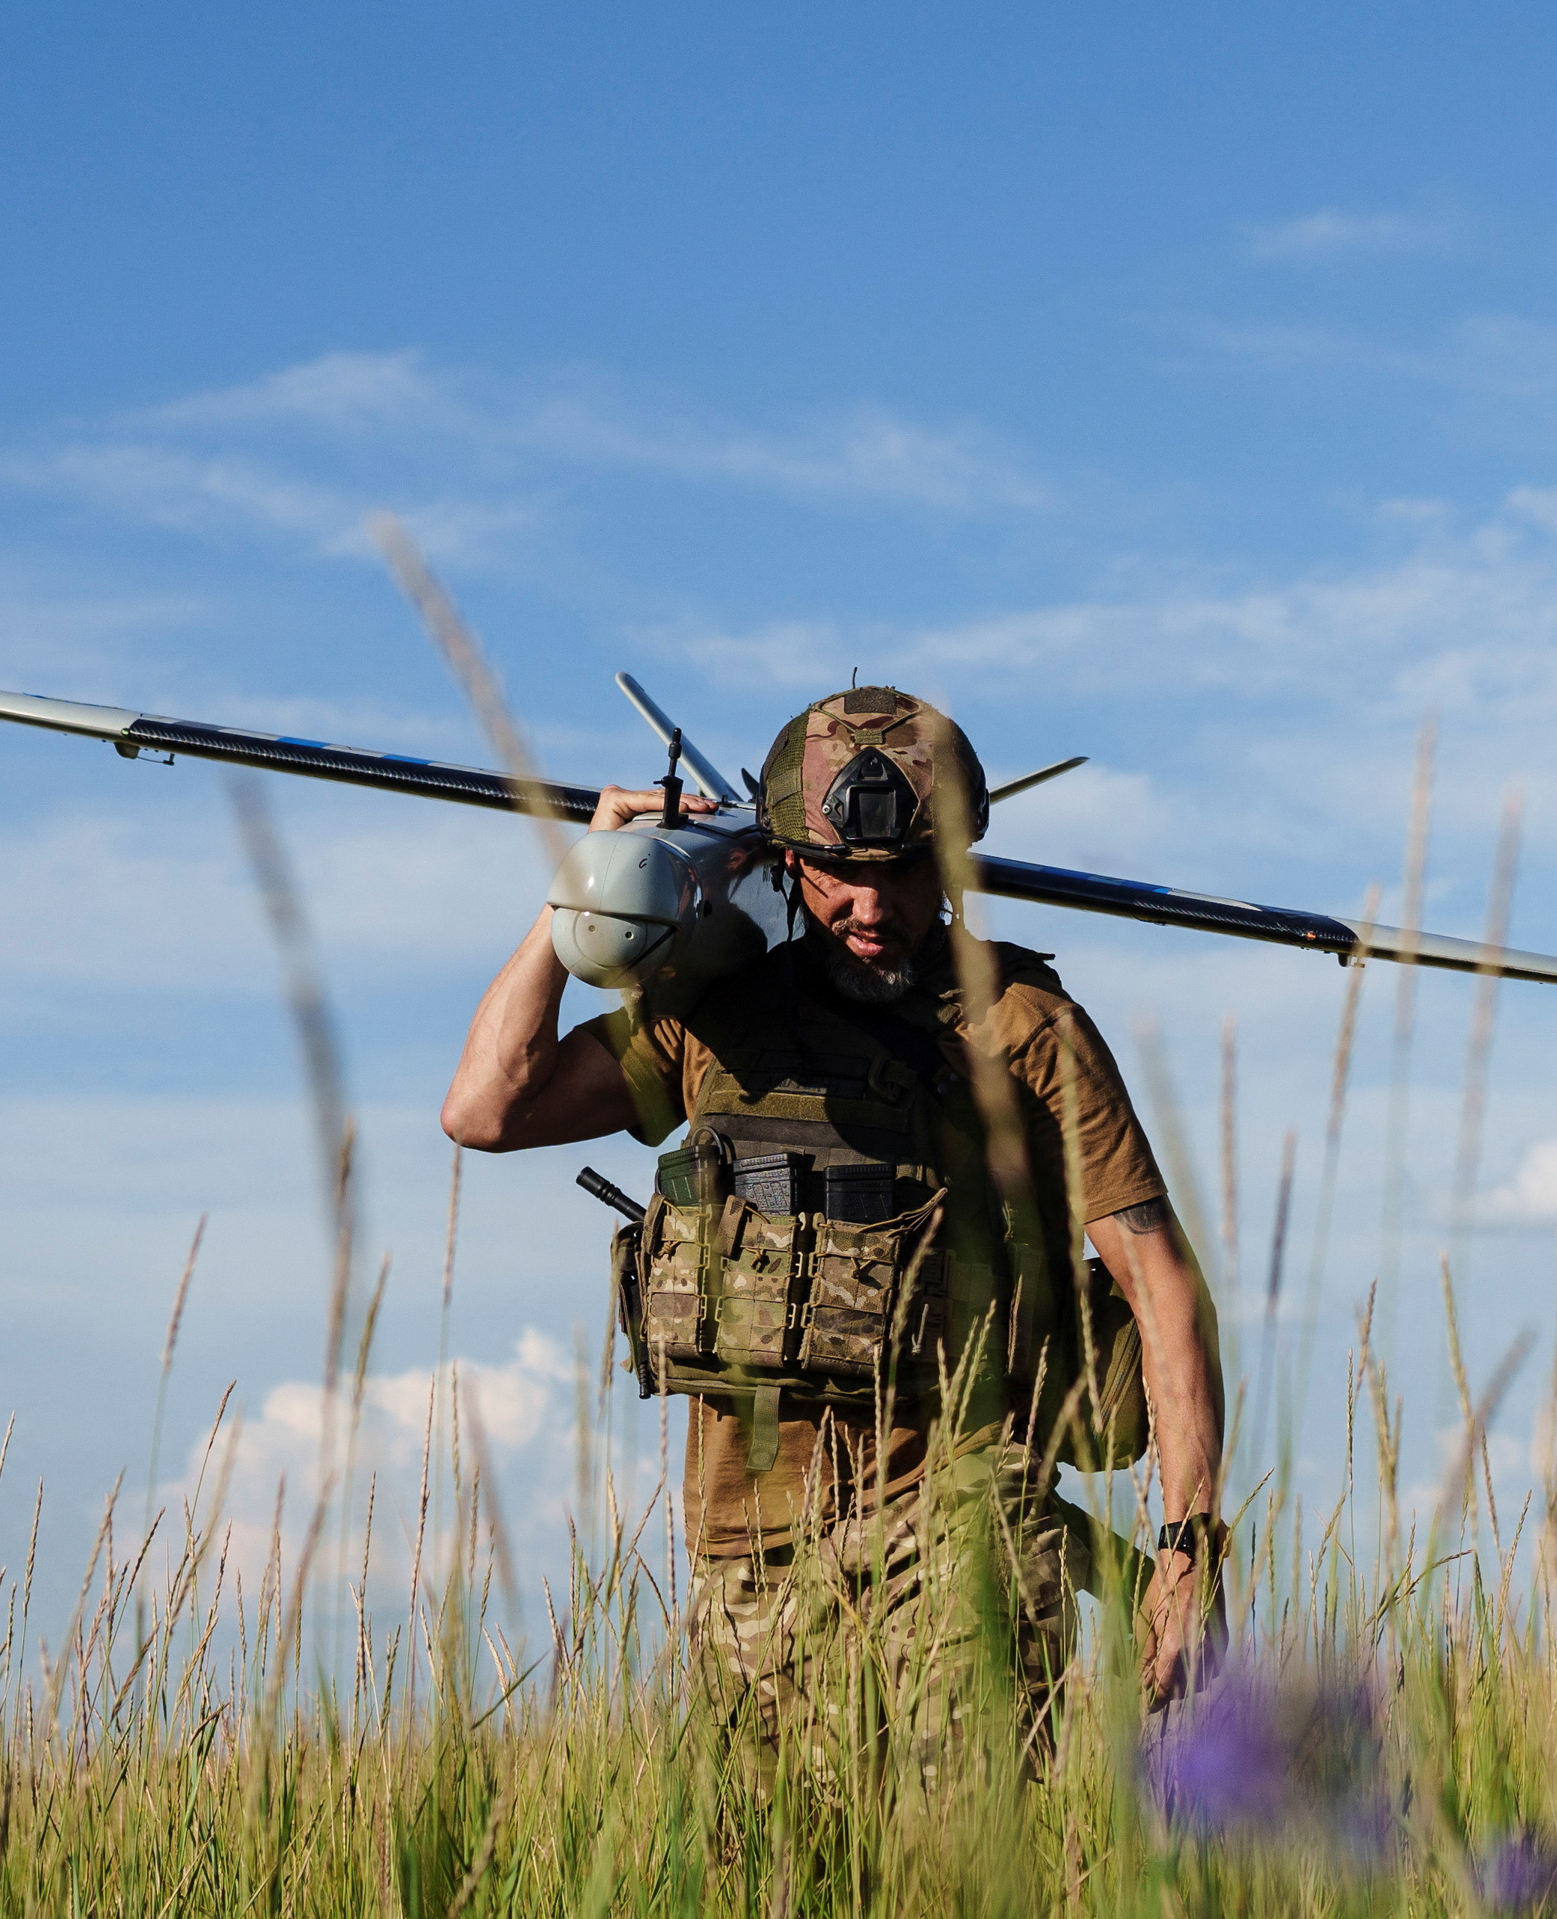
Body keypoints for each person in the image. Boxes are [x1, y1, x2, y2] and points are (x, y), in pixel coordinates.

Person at [441, 686, 1226, 1768]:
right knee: (777, 1912)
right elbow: (486, 1109)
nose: (870, 905)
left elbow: (1161, 1288)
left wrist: (1185, 1555)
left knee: (967, 1890)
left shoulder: (1026, 1029)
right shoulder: (708, 1019)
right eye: (838, 873)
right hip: (748, 1553)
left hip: (965, 1526)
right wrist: (582, 891)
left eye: (902, 872)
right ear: (784, 862)